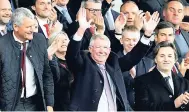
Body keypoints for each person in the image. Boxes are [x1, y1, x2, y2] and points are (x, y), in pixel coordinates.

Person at [65, 7, 159, 111]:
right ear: (90, 49)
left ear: (109, 50)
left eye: (105, 48)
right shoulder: (83, 62)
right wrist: (81, 30)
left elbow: (133, 57)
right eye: (98, 47)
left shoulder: (113, 63)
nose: (102, 51)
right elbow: (71, 55)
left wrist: (147, 35)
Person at [0, 8, 54, 111]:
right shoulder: (2, 45)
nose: (33, 30)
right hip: (11, 105)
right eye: (28, 27)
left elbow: (47, 75)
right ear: (15, 27)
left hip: (36, 103)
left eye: (33, 26)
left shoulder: (40, 40)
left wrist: (49, 104)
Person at [135, 41, 189, 111]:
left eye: (170, 56)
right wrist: (173, 104)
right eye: (162, 56)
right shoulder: (142, 81)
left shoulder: (185, 83)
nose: (166, 59)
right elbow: (142, 109)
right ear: (155, 59)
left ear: (175, 59)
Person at [117, 26, 154, 109]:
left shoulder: (149, 62)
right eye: (127, 39)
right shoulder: (114, 61)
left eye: (135, 40)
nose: (131, 43)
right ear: (121, 40)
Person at [48, 31, 73, 111]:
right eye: (59, 40)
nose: (64, 42)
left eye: (65, 39)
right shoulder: (50, 61)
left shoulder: (73, 60)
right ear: (52, 44)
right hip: (59, 105)